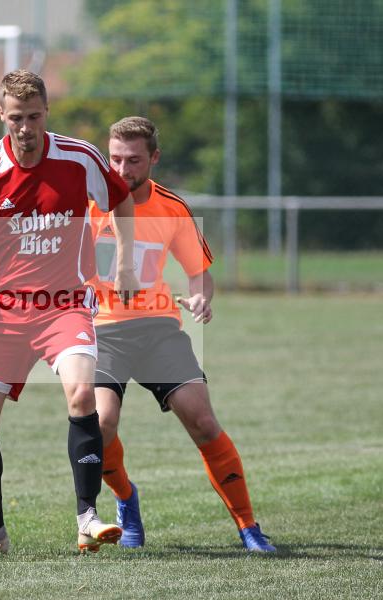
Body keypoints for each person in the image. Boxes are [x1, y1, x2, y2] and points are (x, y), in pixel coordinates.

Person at [0, 70, 139, 554]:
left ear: (47, 113)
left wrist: (125, 264)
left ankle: (87, 518)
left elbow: (122, 201)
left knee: (82, 391)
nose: (26, 127)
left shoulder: (79, 158)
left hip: (64, 304)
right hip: (3, 312)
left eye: (35, 116)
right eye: (17, 117)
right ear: (2, 115)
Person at [89, 116, 276, 552]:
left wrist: (200, 298)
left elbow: (199, 274)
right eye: (114, 158)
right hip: (101, 331)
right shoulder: (88, 203)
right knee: (99, 425)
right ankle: (126, 501)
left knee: (202, 418)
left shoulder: (172, 207)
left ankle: (249, 527)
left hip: (158, 330)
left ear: (154, 158)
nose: (121, 169)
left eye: (133, 160)